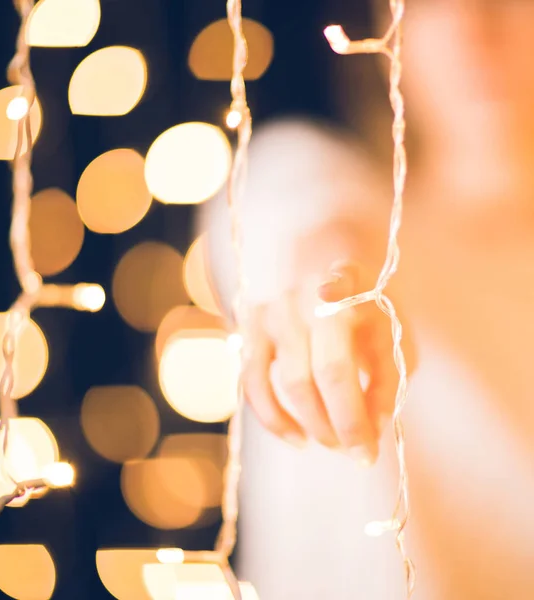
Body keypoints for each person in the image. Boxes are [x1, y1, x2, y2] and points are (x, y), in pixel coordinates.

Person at [200, 0, 534, 598]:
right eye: (430, 5)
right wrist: (326, 282)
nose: (470, 29)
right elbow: (297, 204)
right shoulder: (328, 191)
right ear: (386, 39)